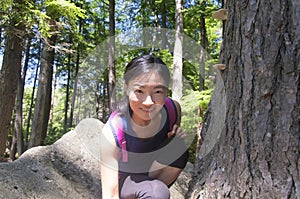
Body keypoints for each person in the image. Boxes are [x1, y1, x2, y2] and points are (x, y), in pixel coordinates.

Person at [100, 55, 189, 199]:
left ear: (167, 90)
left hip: (152, 172)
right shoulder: (114, 132)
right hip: (125, 182)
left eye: (158, 92)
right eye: (140, 91)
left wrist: (174, 136)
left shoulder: (173, 110)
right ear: (127, 87)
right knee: (156, 192)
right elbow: (110, 195)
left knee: (178, 146)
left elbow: (172, 145)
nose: (148, 102)